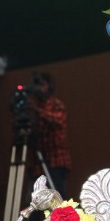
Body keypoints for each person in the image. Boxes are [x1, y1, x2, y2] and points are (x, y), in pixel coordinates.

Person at [30, 71, 72, 199]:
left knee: (58, 196)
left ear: (49, 86)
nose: (39, 88)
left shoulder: (56, 105)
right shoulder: (33, 107)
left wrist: (37, 111)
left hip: (56, 160)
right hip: (39, 162)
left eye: (42, 84)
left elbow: (58, 121)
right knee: (37, 199)